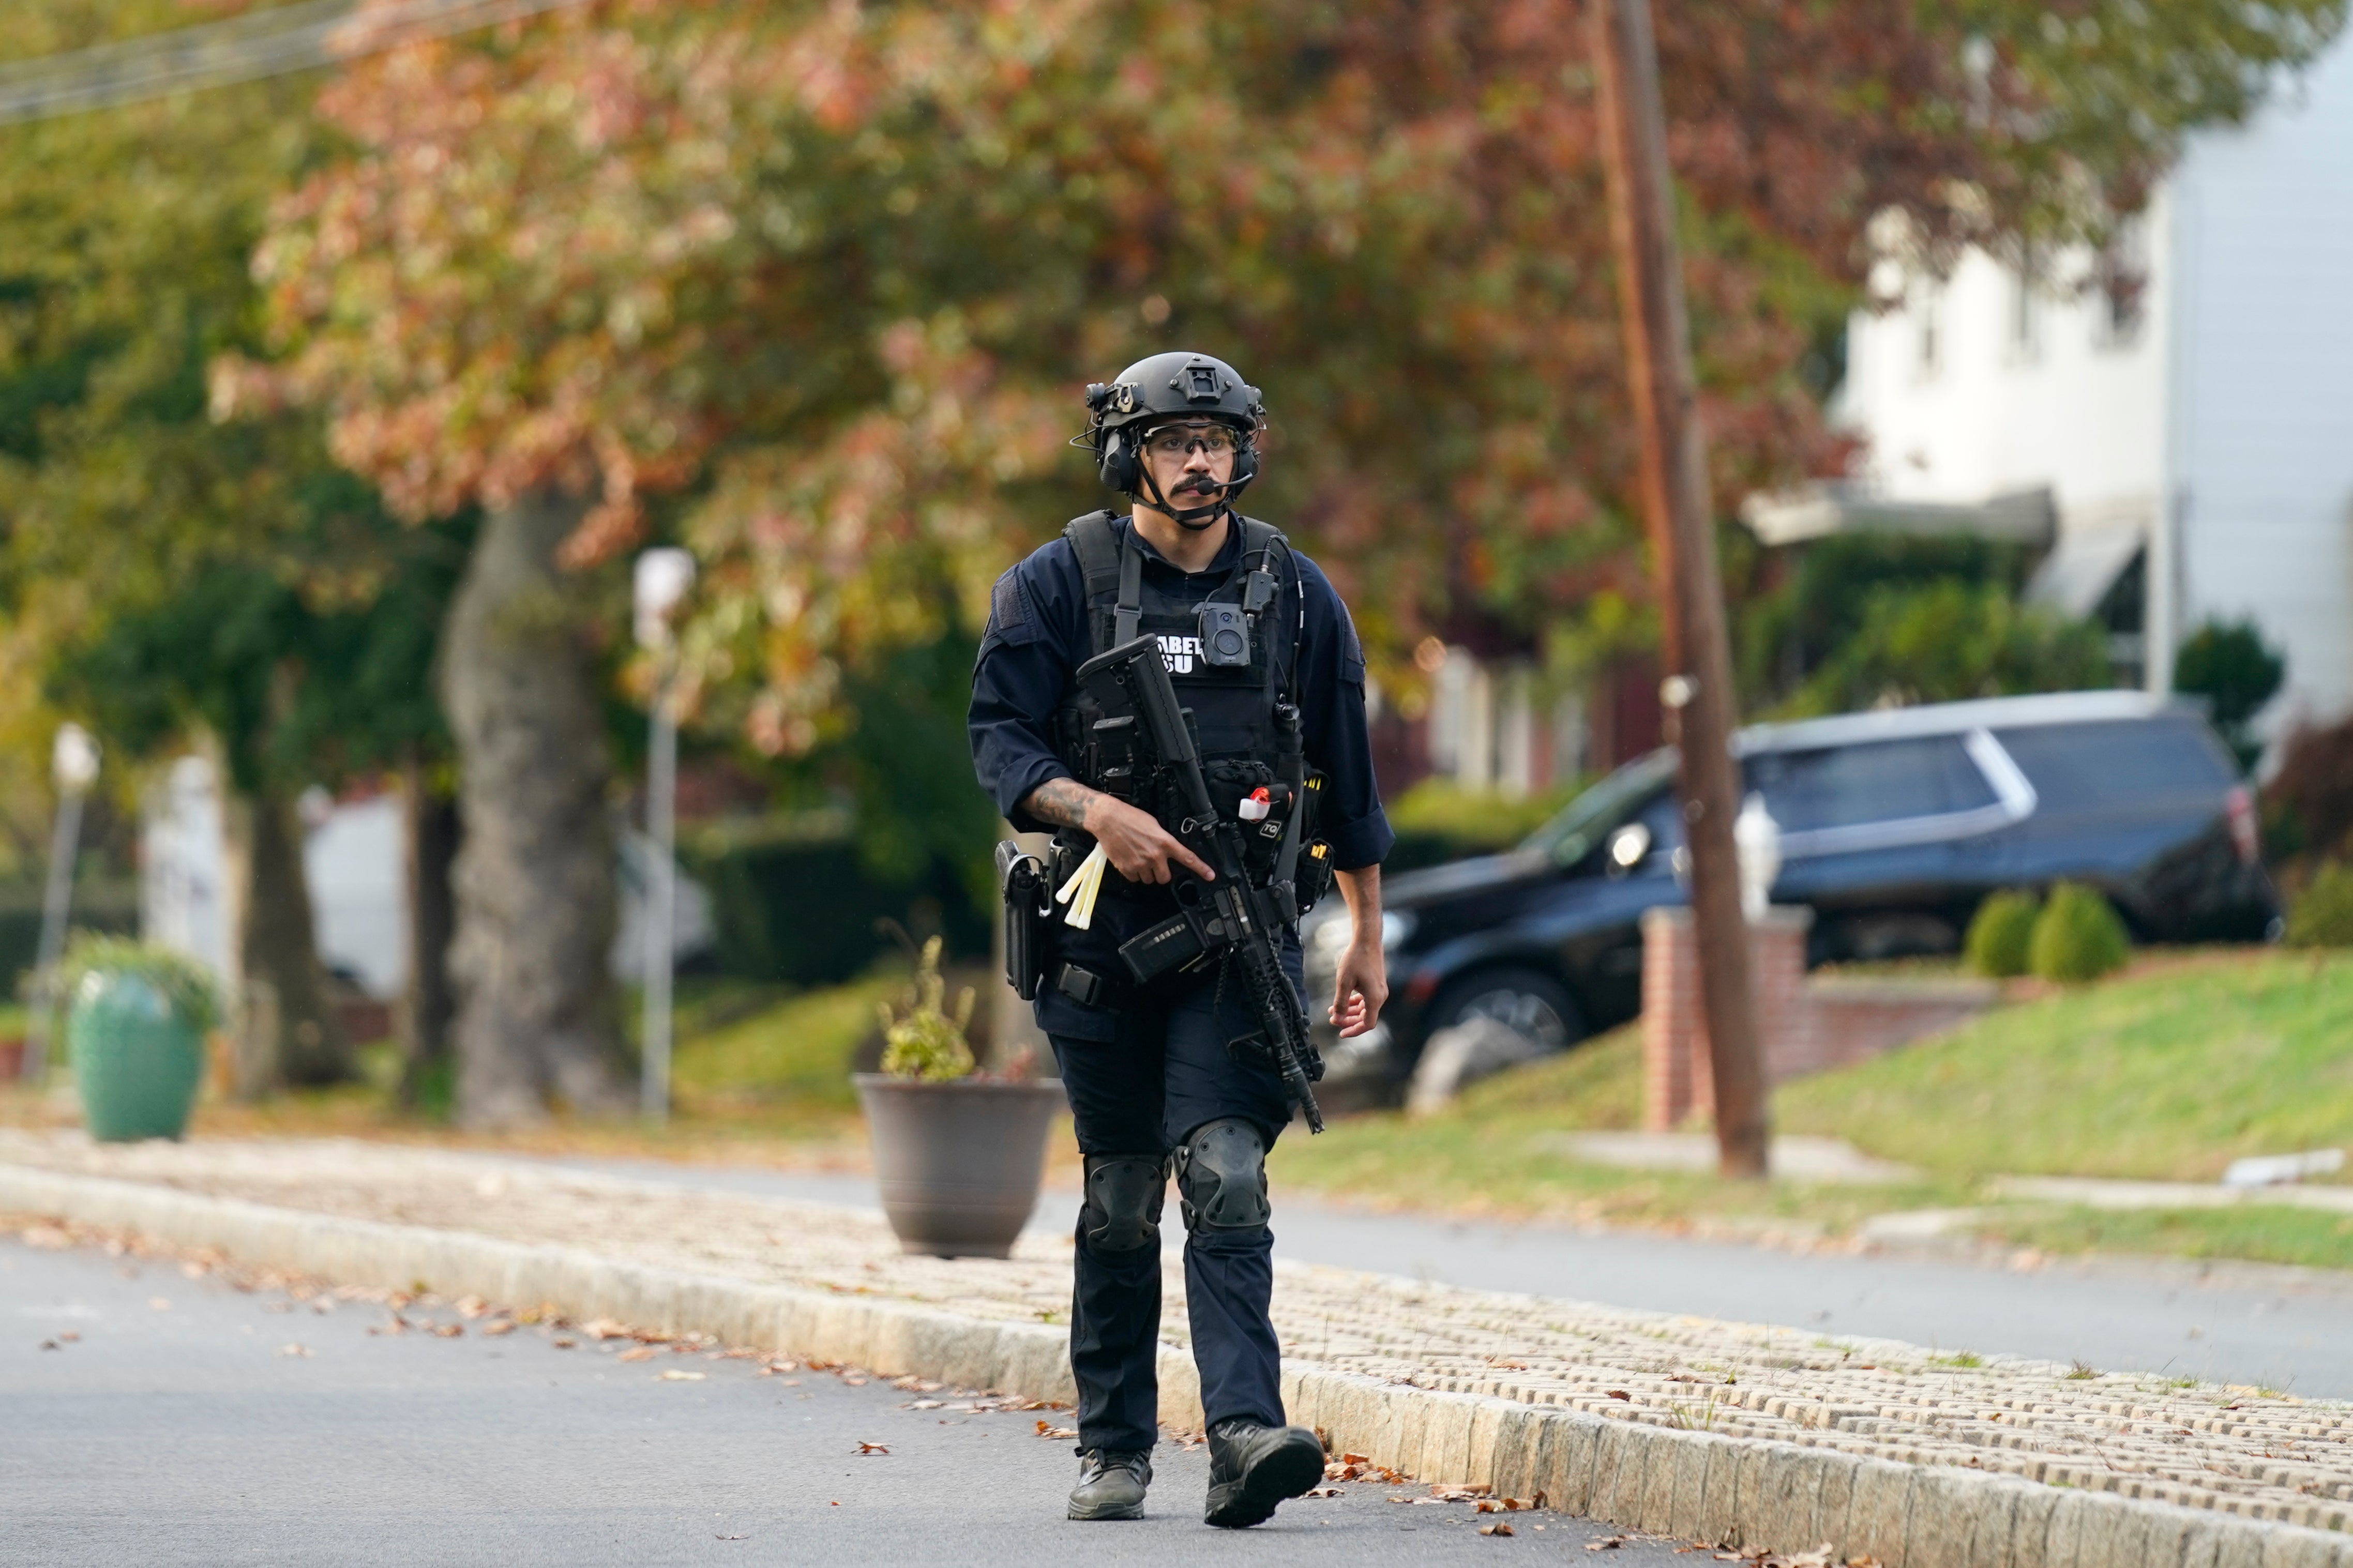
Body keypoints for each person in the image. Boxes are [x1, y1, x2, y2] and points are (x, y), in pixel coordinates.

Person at [969, 351, 1394, 1528]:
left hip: (1235, 934)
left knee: (1227, 1173)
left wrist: (1366, 932)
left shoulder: (1295, 592)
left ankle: (1245, 1432)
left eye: (1216, 440)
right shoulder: (1057, 582)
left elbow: (1347, 777)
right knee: (1119, 1196)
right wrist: (1093, 809)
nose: (1199, 460)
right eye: (1173, 441)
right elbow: (1000, 739)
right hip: (1099, 940)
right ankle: (1112, 1448)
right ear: (1129, 455)